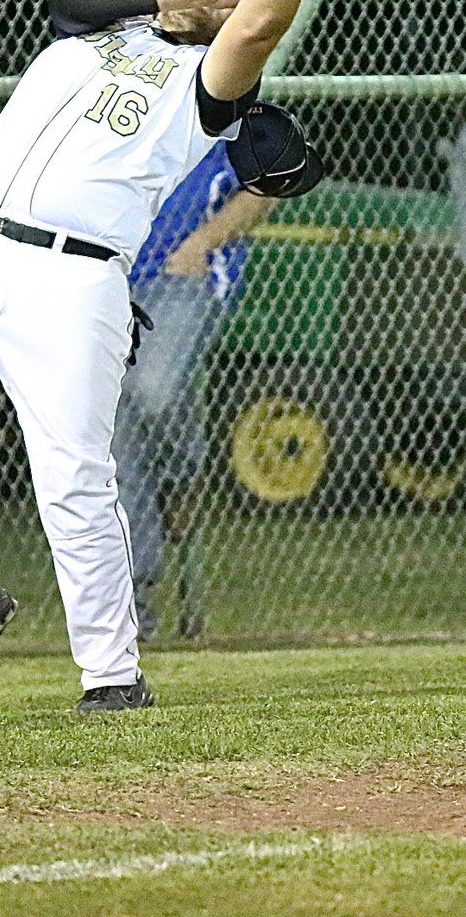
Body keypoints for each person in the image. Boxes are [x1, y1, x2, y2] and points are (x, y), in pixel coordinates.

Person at [0, 0, 363, 714]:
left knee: (72, 473)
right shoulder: (86, 32)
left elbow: (258, 26)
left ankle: (110, 675)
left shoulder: (211, 87)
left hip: (73, 276)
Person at [114, 139, 277, 639]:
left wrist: (202, 243)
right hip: (110, 272)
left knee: (156, 389)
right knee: (115, 439)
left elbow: (266, 186)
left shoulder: (226, 93)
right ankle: (136, 600)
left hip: (183, 272)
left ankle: (180, 477)